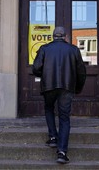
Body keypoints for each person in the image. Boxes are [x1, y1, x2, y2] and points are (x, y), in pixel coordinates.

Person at [32, 26, 86, 164]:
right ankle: (62, 152)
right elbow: (81, 72)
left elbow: (36, 68)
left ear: (53, 36)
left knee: (49, 108)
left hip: (48, 86)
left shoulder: (44, 48)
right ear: (65, 36)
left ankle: (53, 138)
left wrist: (44, 75)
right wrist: (78, 88)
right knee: (64, 118)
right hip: (67, 87)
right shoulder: (73, 49)